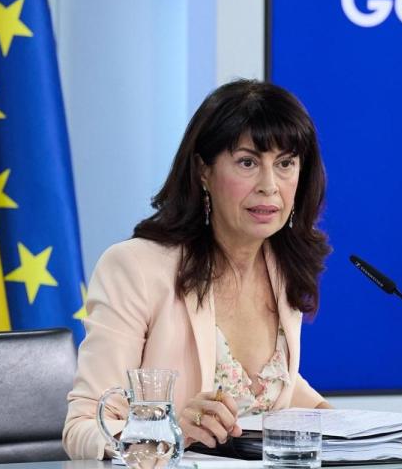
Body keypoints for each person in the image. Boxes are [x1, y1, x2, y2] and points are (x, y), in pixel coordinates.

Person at [63, 79, 333, 460]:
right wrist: (171, 434)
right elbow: (83, 427)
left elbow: (266, 390)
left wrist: (365, 431)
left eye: (285, 163)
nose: (269, 186)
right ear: (203, 170)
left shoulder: (281, 264)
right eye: (248, 163)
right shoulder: (134, 268)